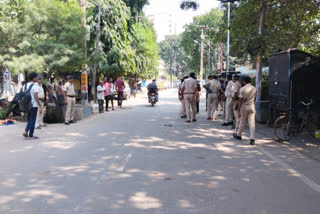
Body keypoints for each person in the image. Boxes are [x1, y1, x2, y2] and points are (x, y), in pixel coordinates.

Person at [233, 75, 257, 145]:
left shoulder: (242, 89)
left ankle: (238, 135)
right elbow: (255, 98)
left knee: (242, 122)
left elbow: (240, 100)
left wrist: (238, 109)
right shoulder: (254, 88)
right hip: (252, 106)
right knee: (252, 123)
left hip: (244, 106)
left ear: (244, 81)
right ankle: (252, 138)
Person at [23, 72, 41, 140]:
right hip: (33, 105)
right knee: (33, 120)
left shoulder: (25, 85)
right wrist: (39, 106)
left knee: (30, 118)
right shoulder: (35, 85)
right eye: (36, 77)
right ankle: (31, 136)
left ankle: (26, 131)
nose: (37, 78)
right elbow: (36, 96)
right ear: (34, 78)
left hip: (27, 105)